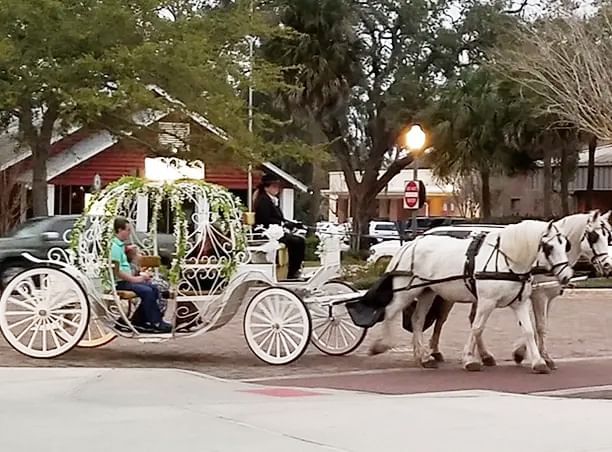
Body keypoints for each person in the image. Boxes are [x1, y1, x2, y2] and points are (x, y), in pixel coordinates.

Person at [111, 217, 172, 333]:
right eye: (128, 230)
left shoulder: (119, 246)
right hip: (120, 283)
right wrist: (136, 279)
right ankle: (155, 322)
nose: (129, 233)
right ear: (120, 230)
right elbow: (117, 272)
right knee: (147, 291)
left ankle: (141, 321)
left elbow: (124, 254)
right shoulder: (114, 247)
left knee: (153, 288)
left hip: (126, 280)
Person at [254, 173, 305, 279]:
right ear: (266, 187)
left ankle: (294, 270)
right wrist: (284, 224)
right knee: (297, 241)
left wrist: (291, 223)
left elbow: (278, 218)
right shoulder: (263, 200)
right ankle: (292, 272)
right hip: (267, 233)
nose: (277, 189)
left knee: (298, 240)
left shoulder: (271, 200)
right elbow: (265, 219)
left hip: (275, 231)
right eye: (274, 186)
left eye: (277, 186)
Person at [125, 245, 169, 317]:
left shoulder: (136, 264)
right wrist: (143, 276)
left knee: (162, 284)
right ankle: (154, 313)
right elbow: (132, 276)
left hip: (140, 280)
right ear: (133, 256)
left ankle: (157, 311)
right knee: (159, 287)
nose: (141, 255)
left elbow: (138, 273)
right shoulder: (131, 265)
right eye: (138, 253)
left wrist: (144, 274)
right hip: (137, 282)